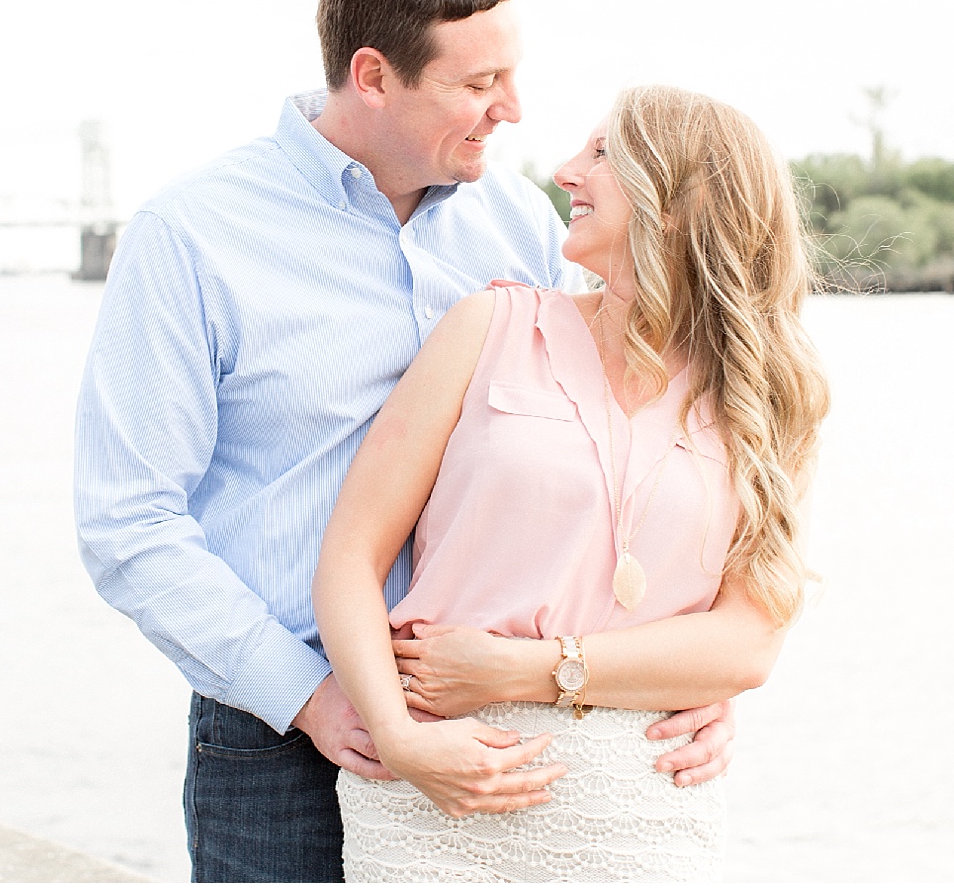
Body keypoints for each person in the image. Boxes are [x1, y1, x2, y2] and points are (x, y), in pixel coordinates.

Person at [73, 0, 738, 884]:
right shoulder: (192, 235)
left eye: (511, 74)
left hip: (495, 716)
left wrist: (677, 671)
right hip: (282, 736)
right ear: (374, 76)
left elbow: (608, 458)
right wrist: (313, 698)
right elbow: (128, 522)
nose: (512, 109)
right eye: (478, 83)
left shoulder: (519, 224)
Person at [313, 85, 829, 881]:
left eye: (602, 153)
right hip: (436, 787)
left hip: (642, 803)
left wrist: (533, 669)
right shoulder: (487, 328)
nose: (565, 172)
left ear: (679, 200)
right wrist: (399, 735)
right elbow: (350, 555)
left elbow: (749, 642)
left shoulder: (765, 395)